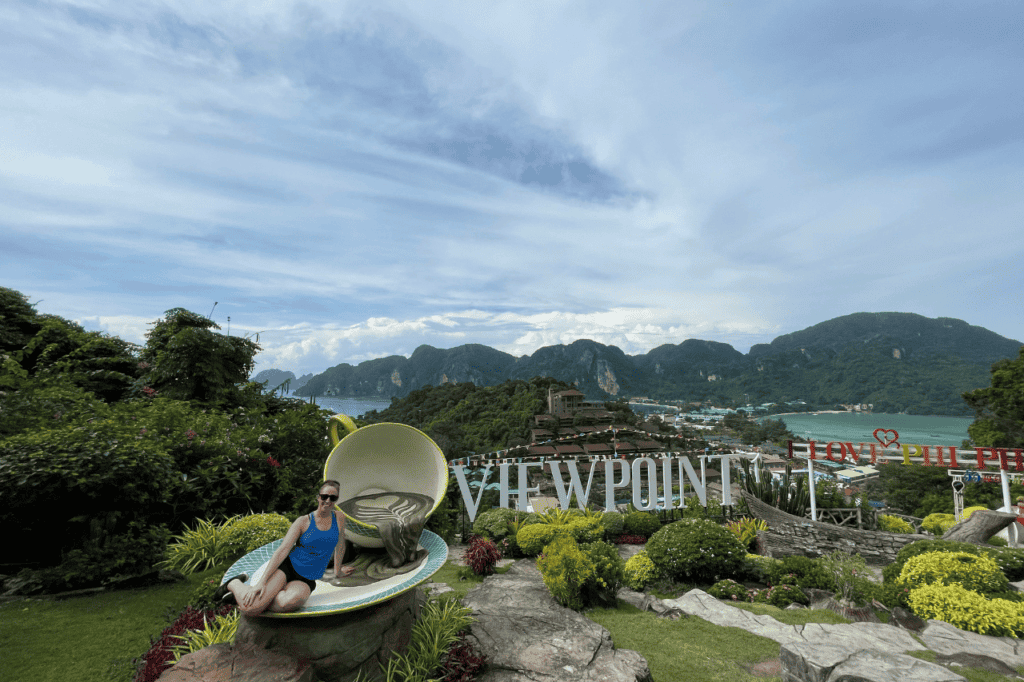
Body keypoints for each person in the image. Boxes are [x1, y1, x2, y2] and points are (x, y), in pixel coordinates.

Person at [215, 480, 355, 615]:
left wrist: (337, 571)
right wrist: (261, 583)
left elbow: (340, 544)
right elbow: (282, 550)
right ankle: (234, 583)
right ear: (318, 497)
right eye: (324, 496)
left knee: (286, 603)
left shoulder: (339, 517)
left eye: (333, 497)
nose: (328, 501)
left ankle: (250, 597)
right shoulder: (303, 521)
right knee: (251, 608)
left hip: (306, 578)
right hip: (288, 568)